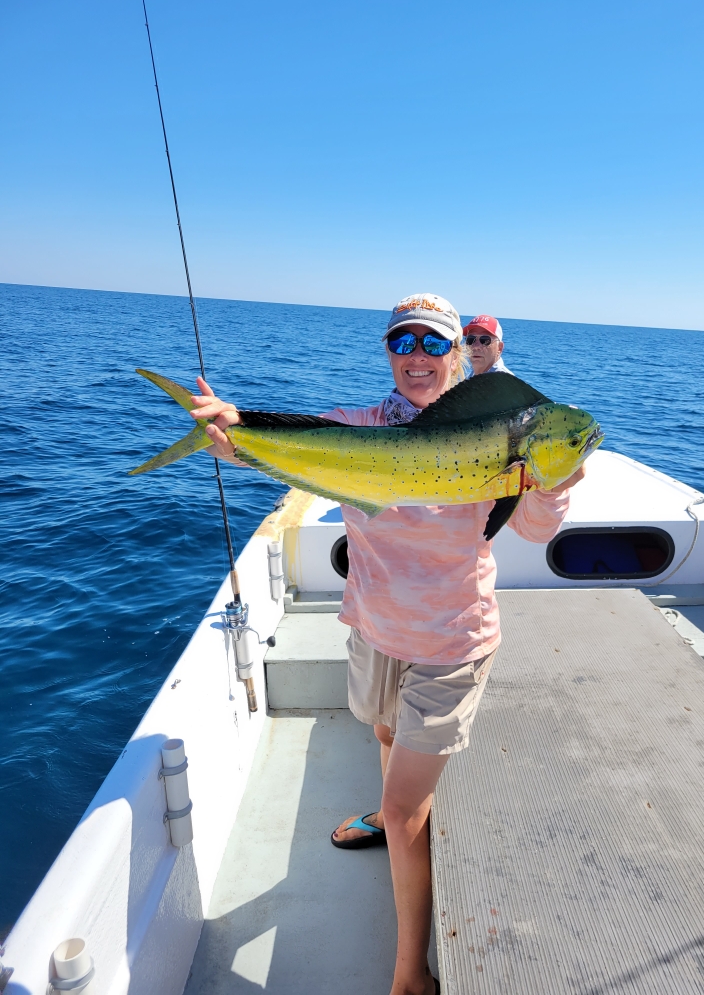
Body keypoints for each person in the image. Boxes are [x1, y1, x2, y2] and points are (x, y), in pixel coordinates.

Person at [189, 293, 585, 995]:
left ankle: (410, 975)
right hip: (375, 627)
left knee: (407, 815)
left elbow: (533, 530)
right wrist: (234, 432)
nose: (418, 357)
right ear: (388, 352)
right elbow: (296, 445)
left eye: (434, 344)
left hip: (452, 641)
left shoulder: (495, 434)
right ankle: (384, 809)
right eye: (404, 342)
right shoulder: (358, 428)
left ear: (457, 355)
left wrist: (554, 482)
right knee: (381, 729)